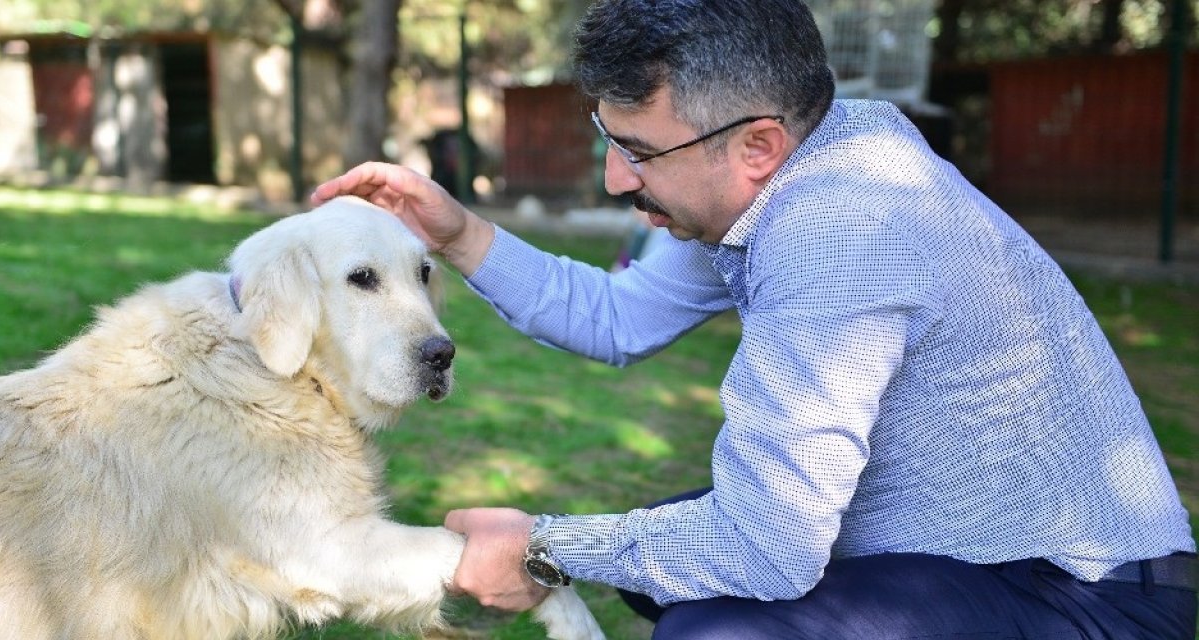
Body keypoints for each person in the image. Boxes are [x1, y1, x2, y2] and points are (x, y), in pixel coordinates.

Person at [311, 1, 1197, 637]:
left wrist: (543, 547)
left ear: (758, 144)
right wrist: (457, 232)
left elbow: (764, 547)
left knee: (719, 631)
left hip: (1087, 594)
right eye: (608, 138)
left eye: (640, 151)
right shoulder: (784, 166)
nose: (617, 178)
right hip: (945, 544)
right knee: (678, 586)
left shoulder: (845, 230)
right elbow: (619, 318)